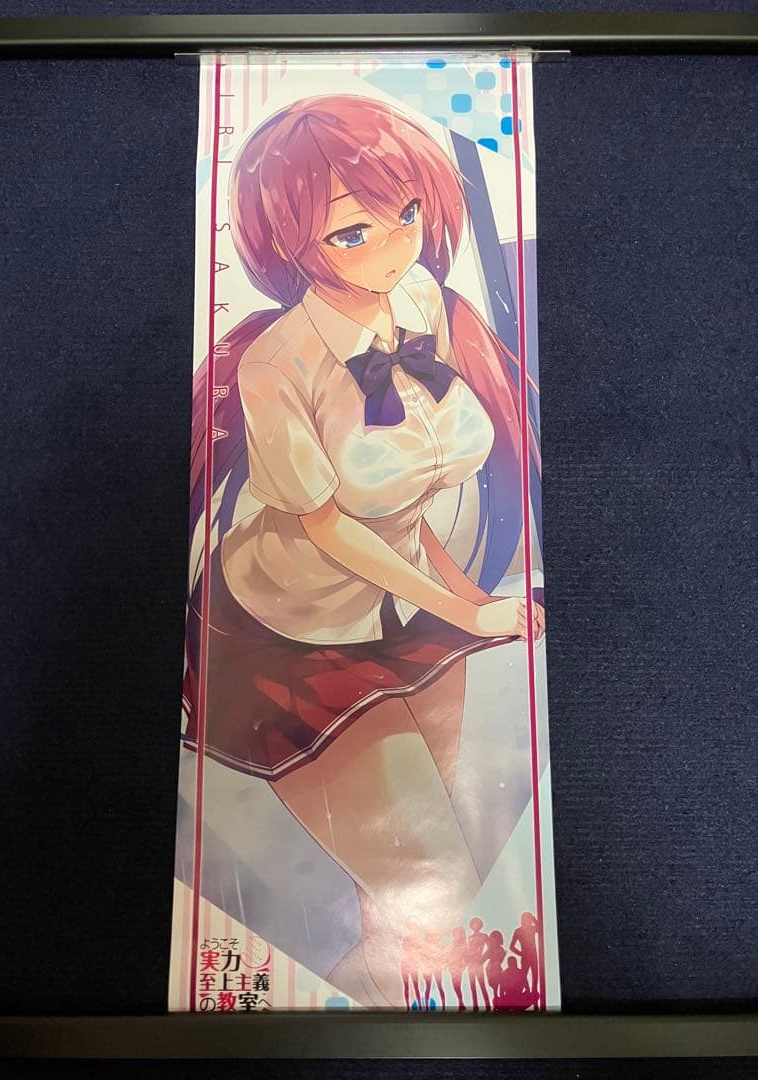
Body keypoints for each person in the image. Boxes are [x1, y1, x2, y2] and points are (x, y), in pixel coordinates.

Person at [185, 94, 544, 1006]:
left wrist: (461, 601)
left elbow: (408, 502)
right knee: (436, 882)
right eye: (353, 232)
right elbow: (330, 527)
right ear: (288, 243)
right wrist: (468, 608)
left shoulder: (421, 299)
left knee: (409, 897)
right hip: (293, 636)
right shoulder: (278, 366)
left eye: (409, 213)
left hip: (410, 602)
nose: (394, 247)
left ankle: (350, 1025)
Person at [509, 911, 540, 1005]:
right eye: (527, 919)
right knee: (523, 977)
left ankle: (534, 999)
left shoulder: (532, 928)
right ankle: (525, 993)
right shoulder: (518, 931)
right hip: (526, 957)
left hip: (534, 957)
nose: (528, 921)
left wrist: (535, 920)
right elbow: (512, 946)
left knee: (535, 978)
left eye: (529, 919)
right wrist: (521, 954)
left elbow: (540, 929)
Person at [466, 917, 491, 1011]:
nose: (475, 925)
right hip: (471, 964)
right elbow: (468, 951)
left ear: (480, 925)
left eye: (477, 923)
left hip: (478, 963)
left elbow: (490, 948)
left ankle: (488, 1005)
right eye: (473, 924)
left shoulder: (484, 936)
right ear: (471, 926)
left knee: (482, 985)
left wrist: (483, 958)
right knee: (472, 986)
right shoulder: (470, 937)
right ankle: (475, 1006)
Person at [400, 918, 424, 1011]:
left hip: (412, 965)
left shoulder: (415, 940)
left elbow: (419, 953)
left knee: (415, 986)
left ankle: (418, 1006)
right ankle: (409, 1007)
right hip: (406, 965)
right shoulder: (406, 939)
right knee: (408, 986)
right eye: (409, 927)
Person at [421, 929, 447, 1010]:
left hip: (436, 968)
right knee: (429, 987)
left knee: (438, 987)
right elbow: (422, 958)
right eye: (430, 936)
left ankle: (443, 1006)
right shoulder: (424, 947)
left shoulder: (439, 946)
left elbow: (443, 956)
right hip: (430, 968)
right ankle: (428, 1007)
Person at [447, 927, 470, 1011]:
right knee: (455, 986)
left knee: (457, 985)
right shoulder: (452, 944)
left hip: (458, 966)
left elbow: (466, 957)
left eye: (459, 933)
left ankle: (461, 1003)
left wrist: (463, 966)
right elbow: (449, 954)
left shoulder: (464, 945)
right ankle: (461, 1002)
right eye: (456, 933)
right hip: (452, 966)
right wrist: (448, 964)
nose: (457, 935)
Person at [485, 929, 506, 1010]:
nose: (494, 941)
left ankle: (500, 1002)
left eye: (496, 939)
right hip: (491, 970)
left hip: (496, 969)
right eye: (492, 939)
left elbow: (499, 960)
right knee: (495, 987)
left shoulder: (500, 949)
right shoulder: (490, 950)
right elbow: (483, 958)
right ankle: (497, 1002)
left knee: (501, 985)